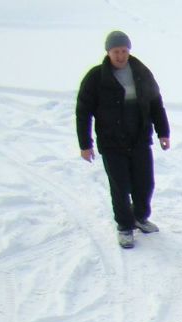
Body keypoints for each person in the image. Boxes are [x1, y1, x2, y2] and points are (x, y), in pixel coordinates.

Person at [76, 31, 171, 249]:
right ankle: (125, 227)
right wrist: (85, 144)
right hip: (112, 142)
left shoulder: (141, 72)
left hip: (139, 138)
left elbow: (156, 103)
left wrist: (163, 132)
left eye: (124, 51)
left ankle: (139, 217)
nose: (120, 56)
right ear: (108, 52)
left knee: (145, 182)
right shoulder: (96, 77)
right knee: (121, 186)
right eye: (116, 51)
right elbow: (83, 112)